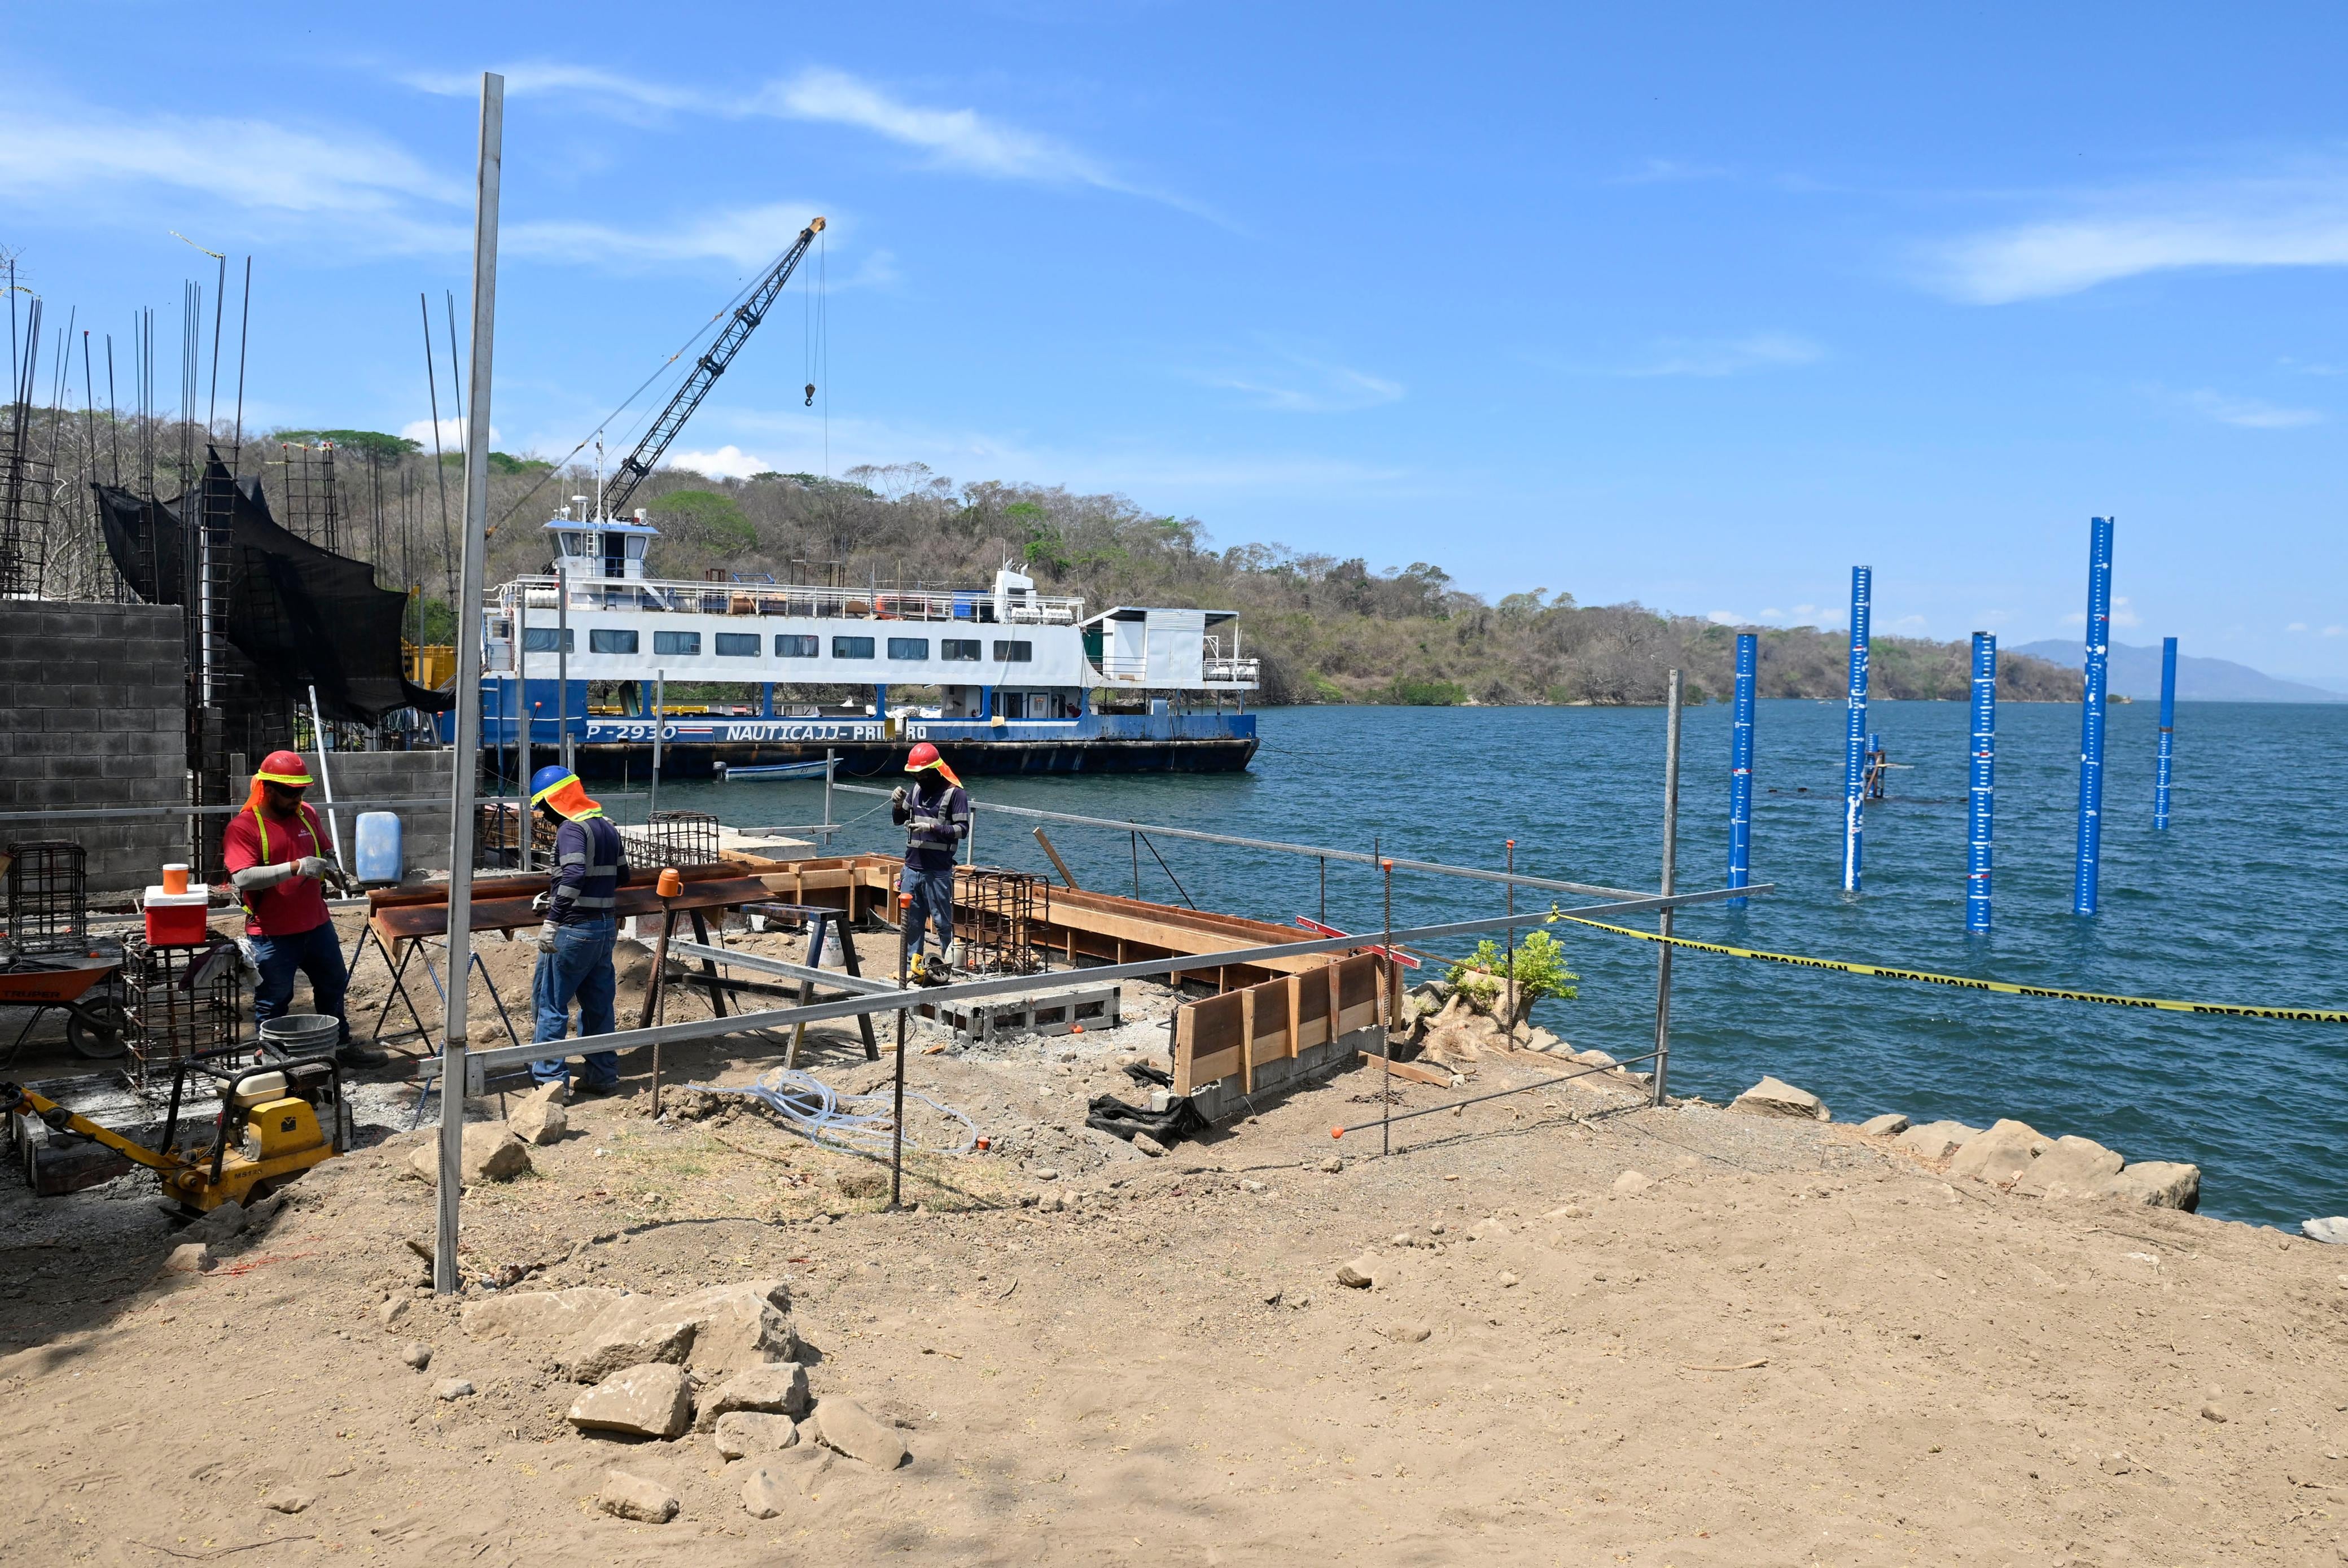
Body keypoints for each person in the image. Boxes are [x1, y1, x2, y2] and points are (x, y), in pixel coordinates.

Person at [221, 751, 381, 1068]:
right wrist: (295, 867)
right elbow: (244, 878)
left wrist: (334, 867)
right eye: (289, 792)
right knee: (273, 1000)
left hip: (317, 925)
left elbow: (325, 849)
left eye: (301, 791)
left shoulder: (307, 813)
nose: (296, 798)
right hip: (272, 934)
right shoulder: (244, 827)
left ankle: (338, 1046)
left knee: (333, 985)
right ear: (267, 788)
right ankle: (270, 1060)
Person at [525, 765, 628, 1094]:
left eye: (543, 807)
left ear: (557, 801)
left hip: (574, 929)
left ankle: (550, 1083)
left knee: (551, 1004)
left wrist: (553, 917)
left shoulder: (571, 829)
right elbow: (623, 877)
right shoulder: (607, 827)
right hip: (604, 929)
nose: (543, 816)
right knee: (598, 1006)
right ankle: (602, 1076)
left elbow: (573, 875)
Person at [890, 741, 969, 982]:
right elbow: (898, 819)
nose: (919, 778)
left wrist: (932, 827)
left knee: (942, 922)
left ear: (935, 770)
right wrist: (896, 803)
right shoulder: (915, 790)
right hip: (912, 869)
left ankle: (948, 968)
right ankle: (912, 969)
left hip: (937, 871)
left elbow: (962, 830)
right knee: (912, 924)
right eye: (915, 774)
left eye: (922, 774)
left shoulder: (954, 794)